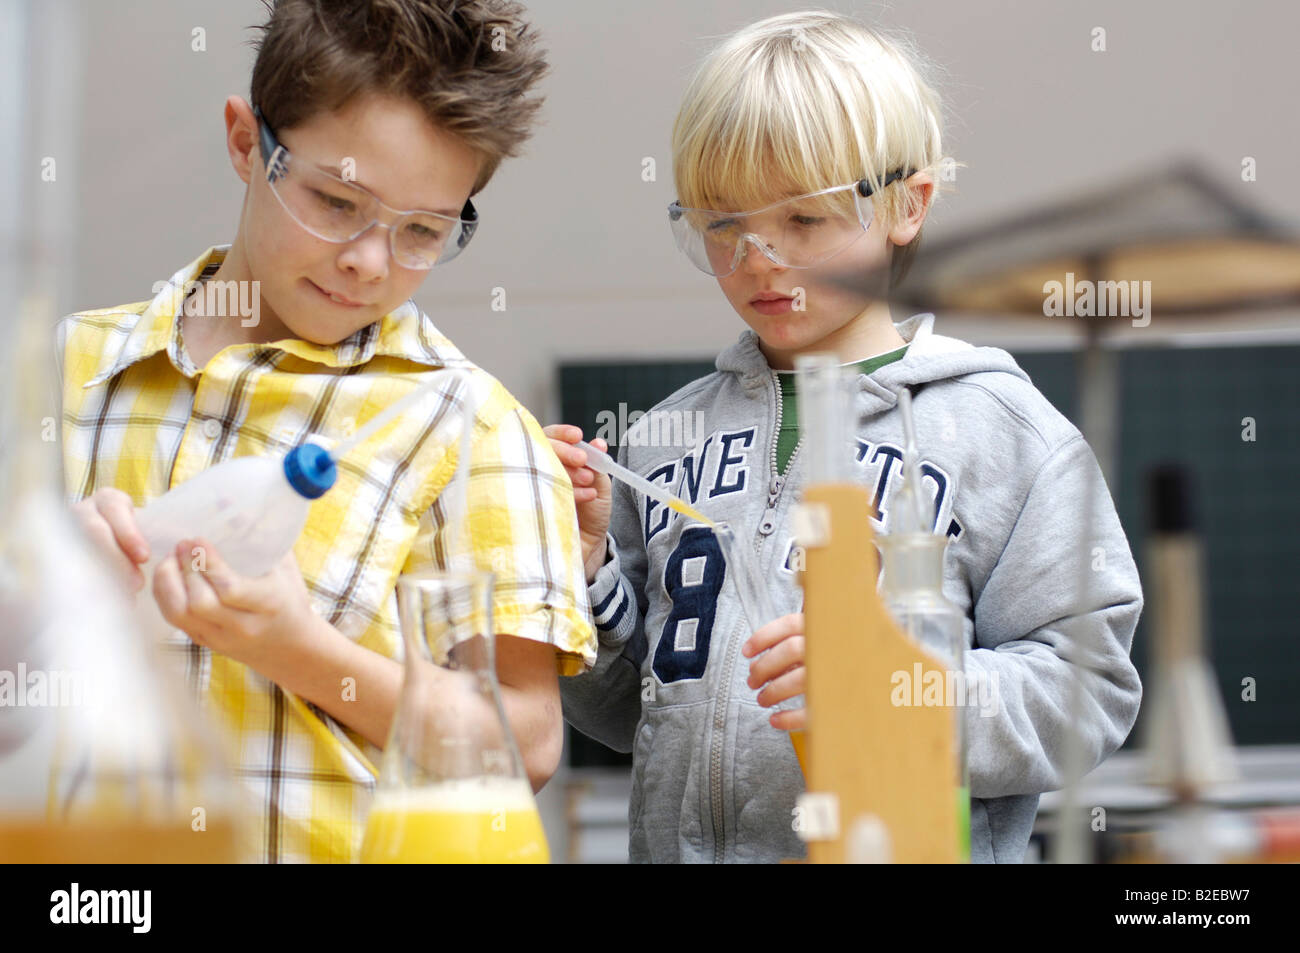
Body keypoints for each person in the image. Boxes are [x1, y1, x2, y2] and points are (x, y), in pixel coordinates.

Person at [548, 10, 1142, 863]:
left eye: (803, 220)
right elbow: (625, 713)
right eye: (722, 224)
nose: (760, 259)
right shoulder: (661, 440)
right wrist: (587, 572)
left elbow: (1088, 693)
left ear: (907, 203)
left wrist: (895, 689)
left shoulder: (1005, 436)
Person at [58, 0, 594, 863]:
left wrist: (299, 650)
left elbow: (523, 744)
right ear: (247, 143)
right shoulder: (63, 372)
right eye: (337, 201)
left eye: (423, 230)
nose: (369, 261)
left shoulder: (472, 428)